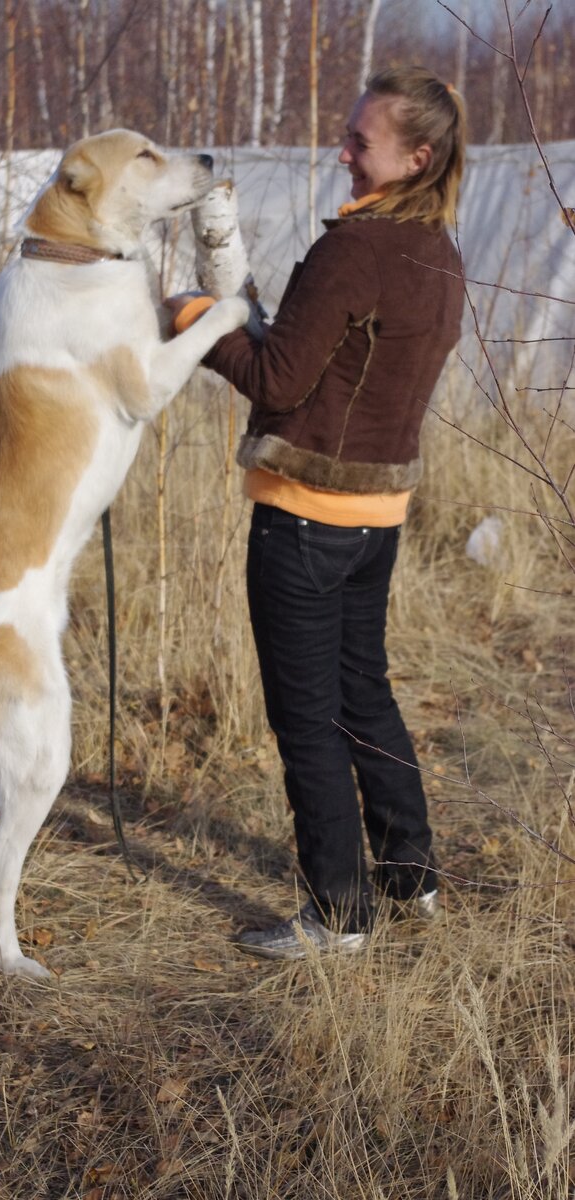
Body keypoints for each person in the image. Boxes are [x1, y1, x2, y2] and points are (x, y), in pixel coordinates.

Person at [170, 66, 467, 959]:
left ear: (415, 157)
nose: (342, 153)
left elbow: (274, 377)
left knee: (306, 719)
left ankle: (338, 919)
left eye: (358, 143)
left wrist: (188, 318)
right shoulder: (440, 255)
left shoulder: (354, 249)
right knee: (360, 693)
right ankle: (409, 878)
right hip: (377, 517)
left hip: (303, 517)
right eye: (345, 135)